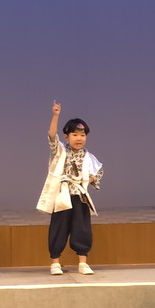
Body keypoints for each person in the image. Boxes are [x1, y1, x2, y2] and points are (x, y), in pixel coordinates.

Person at [37, 102, 102, 275]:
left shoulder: (88, 156)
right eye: (75, 134)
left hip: (80, 196)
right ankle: (55, 262)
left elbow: (98, 171)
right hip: (62, 195)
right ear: (67, 137)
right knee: (59, 227)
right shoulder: (60, 151)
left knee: (82, 228)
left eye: (82, 135)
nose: (79, 138)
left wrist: (89, 179)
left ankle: (83, 262)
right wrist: (56, 115)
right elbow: (52, 135)